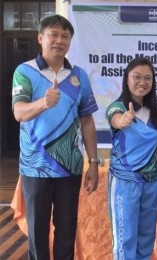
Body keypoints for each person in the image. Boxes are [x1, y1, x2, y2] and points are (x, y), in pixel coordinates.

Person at [11, 15, 99, 259]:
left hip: (69, 168)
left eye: (65, 36)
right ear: (41, 38)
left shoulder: (78, 76)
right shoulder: (25, 72)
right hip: (35, 168)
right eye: (54, 34)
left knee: (67, 231)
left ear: (70, 41)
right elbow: (19, 112)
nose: (59, 40)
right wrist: (43, 103)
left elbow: (88, 121)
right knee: (37, 234)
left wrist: (93, 163)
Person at [106, 57, 157, 259]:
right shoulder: (117, 106)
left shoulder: (155, 111)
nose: (142, 82)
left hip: (153, 182)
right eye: (137, 77)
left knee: (146, 236)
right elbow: (115, 118)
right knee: (125, 238)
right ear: (127, 79)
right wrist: (123, 120)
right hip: (125, 181)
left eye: (148, 78)